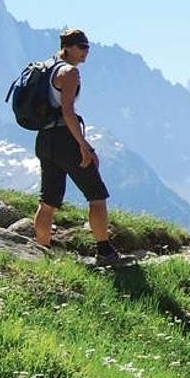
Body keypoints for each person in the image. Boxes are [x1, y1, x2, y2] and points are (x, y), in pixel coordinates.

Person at [32, 29, 131, 267]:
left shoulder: (46, 68)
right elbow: (68, 111)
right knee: (96, 195)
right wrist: (84, 145)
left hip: (44, 138)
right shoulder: (69, 72)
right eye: (83, 46)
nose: (87, 51)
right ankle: (105, 252)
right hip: (65, 139)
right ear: (69, 47)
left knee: (48, 201)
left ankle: (41, 253)